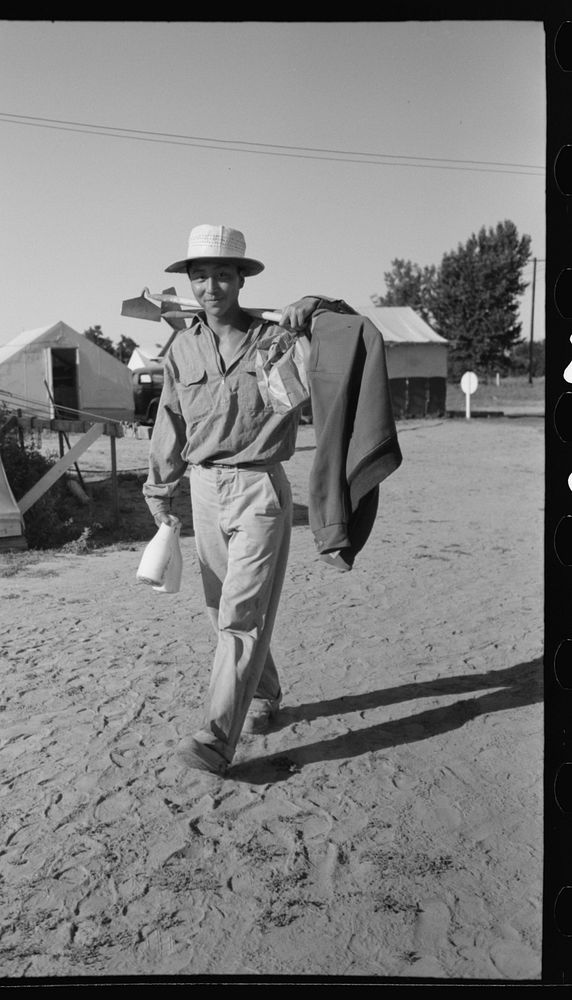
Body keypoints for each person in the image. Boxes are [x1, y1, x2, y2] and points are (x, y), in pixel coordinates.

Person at [142, 223, 336, 777]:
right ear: (191, 282)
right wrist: (160, 488)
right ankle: (265, 694)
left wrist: (317, 306)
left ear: (240, 280)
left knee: (241, 613)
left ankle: (216, 739)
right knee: (219, 610)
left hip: (259, 489)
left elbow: (344, 339)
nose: (211, 286)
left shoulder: (278, 339)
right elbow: (170, 420)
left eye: (222, 275)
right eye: (200, 275)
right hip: (204, 488)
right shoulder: (183, 346)